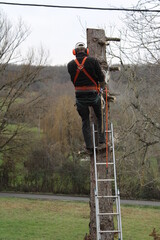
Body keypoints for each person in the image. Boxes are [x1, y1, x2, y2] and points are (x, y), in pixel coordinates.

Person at [67, 42, 106, 153]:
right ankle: (102, 142)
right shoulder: (93, 61)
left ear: (74, 52)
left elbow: (73, 80)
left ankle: (89, 147)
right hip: (93, 94)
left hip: (80, 96)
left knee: (85, 120)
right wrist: (101, 86)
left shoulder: (70, 65)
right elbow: (101, 77)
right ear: (86, 51)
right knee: (100, 117)